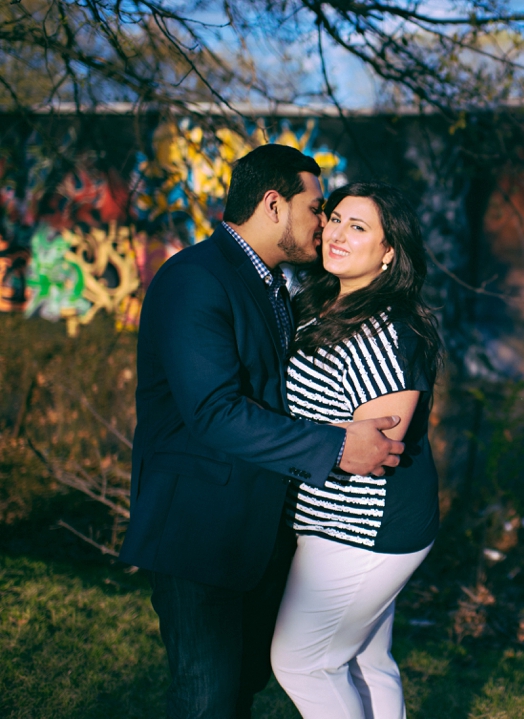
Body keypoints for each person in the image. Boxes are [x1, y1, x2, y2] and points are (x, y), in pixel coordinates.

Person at [119, 145, 407, 719]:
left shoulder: (275, 283)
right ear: (274, 204)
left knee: (239, 689)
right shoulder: (196, 279)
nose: (323, 224)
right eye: (316, 207)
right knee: (205, 698)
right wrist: (337, 446)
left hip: (256, 528)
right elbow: (215, 412)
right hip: (198, 531)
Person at [269, 181, 441, 719]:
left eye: (358, 227)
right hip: (338, 517)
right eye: (335, 218)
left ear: (390, 252)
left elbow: (373, 449)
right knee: (366, 659)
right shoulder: (319, 300)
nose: (336, 234)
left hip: (364, 524)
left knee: (303, 662)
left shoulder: (390, 330)